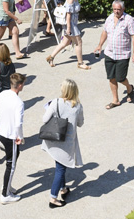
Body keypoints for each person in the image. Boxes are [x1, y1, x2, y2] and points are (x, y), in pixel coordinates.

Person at [41, 79, 84, 208]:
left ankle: (63, 189)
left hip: (54, 140)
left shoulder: (56, 102)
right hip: (66, 143)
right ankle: (53, 198)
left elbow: (44, 119)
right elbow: (80, 123)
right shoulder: (77, 107)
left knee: (60, 166)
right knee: (60, 169)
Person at [95, 0, 134, 110]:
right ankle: (115, 100)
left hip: (122, 54)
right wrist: (100, 45)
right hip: (109, 53)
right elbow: (105, 32)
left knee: (120, 77)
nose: (116, 11)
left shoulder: (129, 20)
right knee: (111, 77)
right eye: (114, 9)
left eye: (119, 9)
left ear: (123, 9)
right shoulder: (109, 18)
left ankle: (129, 88)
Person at [0, 73, 27, 204]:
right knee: (11, 165)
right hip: (11, 136)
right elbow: (19, 124)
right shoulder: (19, 103)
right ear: (19, 86)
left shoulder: (3, 94)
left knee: (14, 156)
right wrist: (20, 137)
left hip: (1, 132)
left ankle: (7, 185)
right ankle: (5, 194)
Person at [46, 0, 90, 70]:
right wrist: (69, 28)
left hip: (72, 24)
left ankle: (51, 57)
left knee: (64, 43)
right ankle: (80, 63)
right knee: (78, 42)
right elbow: (68, 15)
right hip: (71, 25)